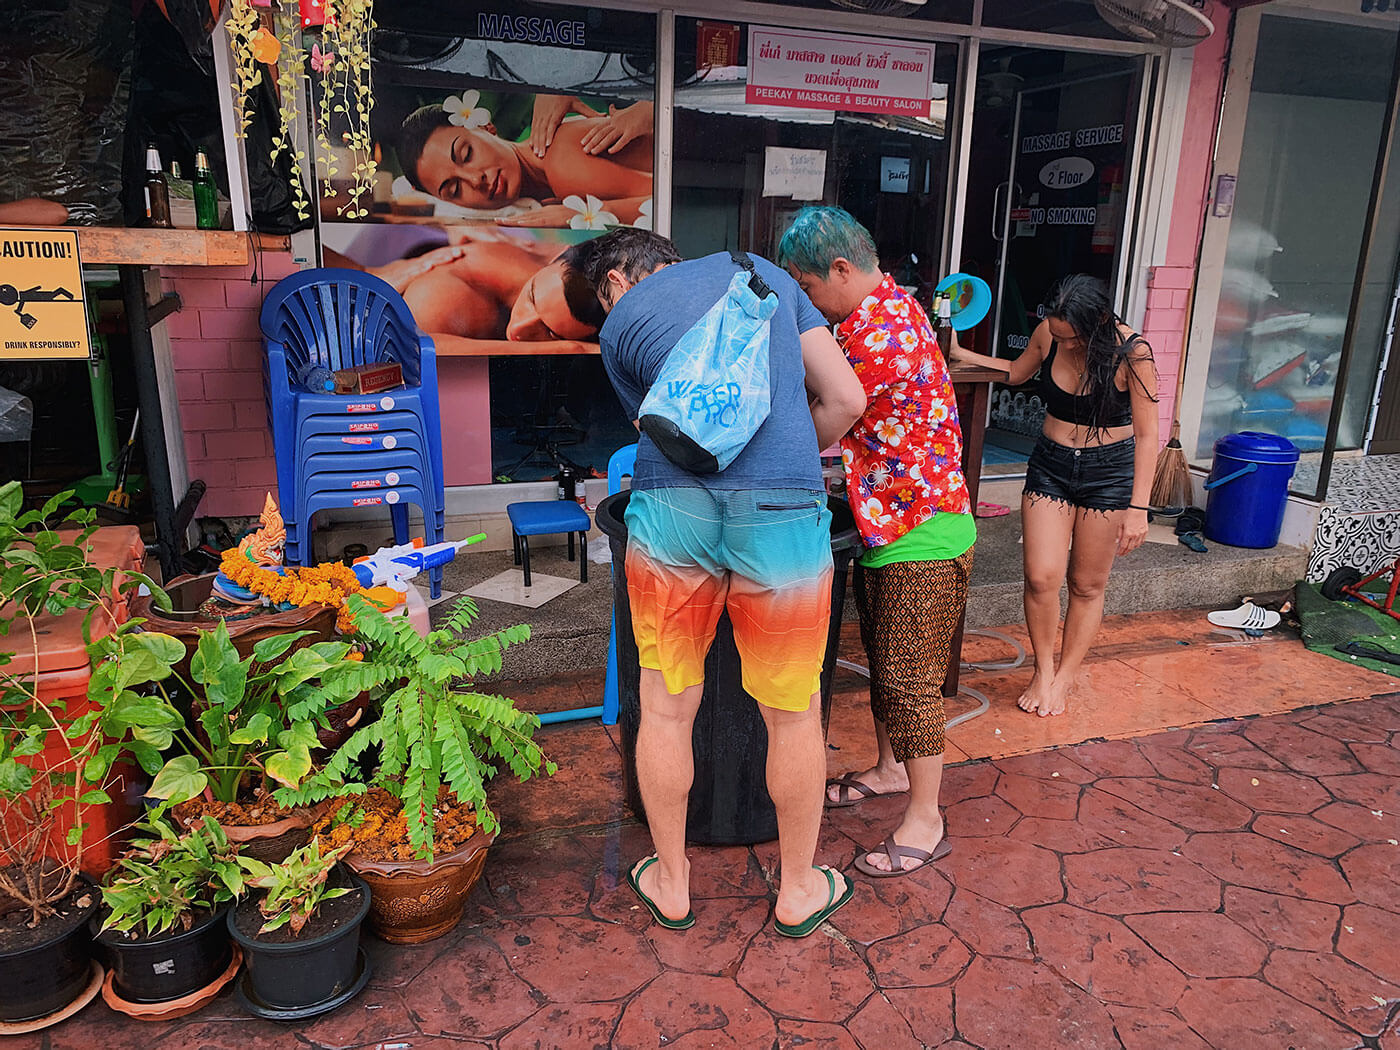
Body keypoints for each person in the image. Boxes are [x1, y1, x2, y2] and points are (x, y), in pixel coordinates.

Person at [585, 227, 867, 935]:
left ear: (617, 279)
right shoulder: (764, 273)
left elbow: (669, 428)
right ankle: (799, 890)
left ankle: (672, 882)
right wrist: (790, 452)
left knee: (667, 704)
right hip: (782, 512)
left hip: (670, 509)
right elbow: (846, 398)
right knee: (793, 711)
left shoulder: (620, 323)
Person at [777, 206, 974, 877]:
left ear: (840, 269)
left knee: (910, 683)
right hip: (891, 520)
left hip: (923, 532)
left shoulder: (877, 331)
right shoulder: (882, 310)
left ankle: (927, 818)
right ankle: (891, 772)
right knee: (889, 665)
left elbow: (834, 402)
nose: (807, 304)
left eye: (807, 288)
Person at [948, 274, 1159, 717]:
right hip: (1050, 465)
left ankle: (1064, 678)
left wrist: (1139, 509)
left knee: (1086, 584)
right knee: (1042, 577)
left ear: (1099, 322)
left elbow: (1146, 434)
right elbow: (1017, 372)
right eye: (1057, 333)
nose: (1064, 343)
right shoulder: (1049, 332)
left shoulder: (1133, 354)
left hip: (1109, 474)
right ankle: (1042, 670)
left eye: (1072, 337)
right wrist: (963, 354)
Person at [396, 99, 653, 227]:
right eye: (454, 189)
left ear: (486, 127)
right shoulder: (546, 193)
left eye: (467, 154)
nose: (475, 180)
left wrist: (579, 215)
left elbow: (665, 199)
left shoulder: (560, 162)